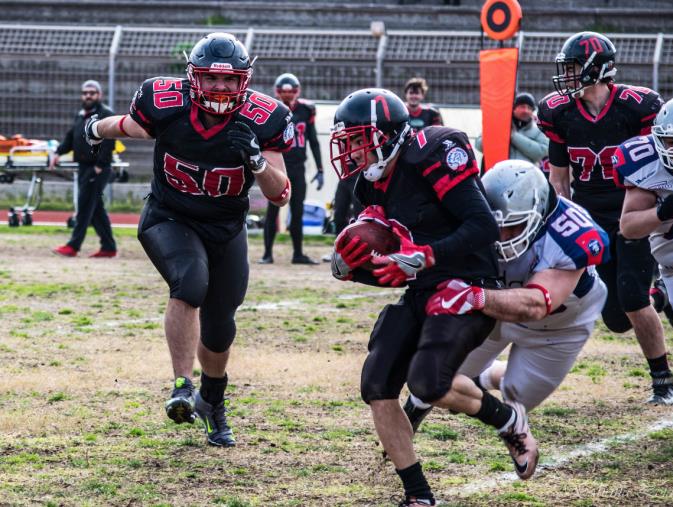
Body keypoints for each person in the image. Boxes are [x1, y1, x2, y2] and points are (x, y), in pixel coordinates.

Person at [82, 33, 293, 446]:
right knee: (190, 282)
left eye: (229, 80)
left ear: (243, 81)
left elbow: (280, 193)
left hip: (225, 228)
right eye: (211, 78)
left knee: (219, 329)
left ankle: (212, 399)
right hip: (169, 215)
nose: (220, 87)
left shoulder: (265, 117)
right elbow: (127, 126)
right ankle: (181, 385)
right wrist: (94, 127)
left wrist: (255, 161)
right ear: (193, 77)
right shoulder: (166, 101)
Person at [329, 88, 537, 506]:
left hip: (467, 282)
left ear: (385, 137)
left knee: (428, 383)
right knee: (376, 383)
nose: (349, 152)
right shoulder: (366, 185)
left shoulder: (433, 154)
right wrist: (355, 271)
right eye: (346, 142)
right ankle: (419, 495)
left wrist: (426, 255)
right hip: (423, 286)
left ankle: (509, 420)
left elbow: (481, 226)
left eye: (356, 140)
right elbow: (391, 267)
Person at [403, 160, 609, 437]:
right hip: (494, 308)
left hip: (558, 326)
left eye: (513, 227)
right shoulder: (472, 217)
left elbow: (536, 304)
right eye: (495, 227)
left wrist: (473, 297)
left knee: (518, 398)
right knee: (439, 378)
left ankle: (485, 378)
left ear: (538, 212)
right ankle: (419, 403)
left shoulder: (572, 234)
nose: (501, 238)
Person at [537, 31, 673, 405]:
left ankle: (663, 379)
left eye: (572, 68)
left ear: (596, 69)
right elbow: (559, 180)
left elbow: (657, 165)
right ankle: (658, 294)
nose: (566, 76)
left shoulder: (636, 107)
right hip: (591, 219)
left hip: (632, 213)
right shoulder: (560, 113)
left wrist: (655, 212)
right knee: (616, 320)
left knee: (631, 299)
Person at [616, 96, 673, 438]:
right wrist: (660, 212)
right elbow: (629, 227)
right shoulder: (647, 164)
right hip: (671, 262)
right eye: (671, 140)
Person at [260, 73, 323, 265]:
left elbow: (313, 140)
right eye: (284, 91)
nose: (287, 95)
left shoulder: (306, 110)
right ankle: (267, 254)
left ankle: (298, 254)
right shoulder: (273, 109)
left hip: (297, 167)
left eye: (291, 91)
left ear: (297, 91)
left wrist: (320, 168)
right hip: (278, 165)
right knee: (273, 210)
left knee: (297, 210)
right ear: (278, 92)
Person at [50, 80, 117, 258]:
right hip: (83, 167)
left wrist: (100, 166)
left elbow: (110, 142)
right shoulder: (80, 115)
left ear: (99, 95)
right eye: (85, 93)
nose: (88, 96)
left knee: (85, 206)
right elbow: (71, 138)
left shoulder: (105, 114)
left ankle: (73, 246)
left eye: (92, 93)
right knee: (95, 209)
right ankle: (109, 247)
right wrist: (57, 152)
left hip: (96, 169)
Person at [474, 92, 549, 168]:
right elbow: (479, 145)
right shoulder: (498, 125)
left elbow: (541, 153)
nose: (526, 110)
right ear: (513, 109)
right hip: (498, 173)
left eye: (529, 108)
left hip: (526, 176)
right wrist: (497, 131)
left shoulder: (538, 130)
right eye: (522, 107)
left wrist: (513, 136)